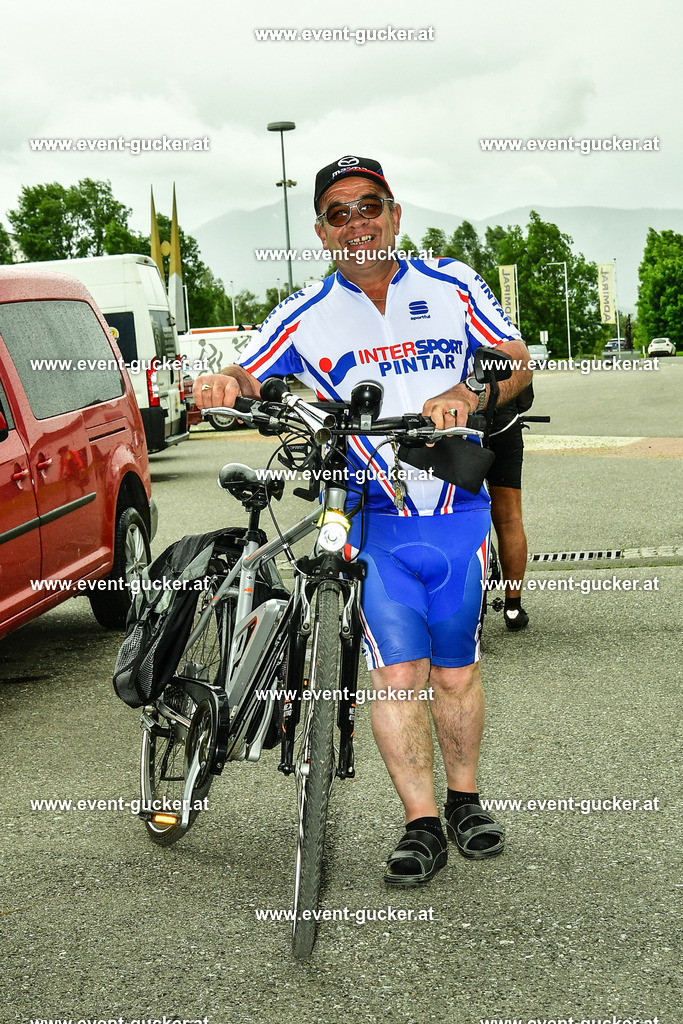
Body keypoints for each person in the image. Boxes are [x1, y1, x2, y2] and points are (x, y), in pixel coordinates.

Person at [194, 155, 532, 885]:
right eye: (339, 212)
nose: (357, 222)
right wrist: (227, 378)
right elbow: (249, 372)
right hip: (372, 514)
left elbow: (515, 360)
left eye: (369, 205)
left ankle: (465, 800)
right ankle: (420, 822)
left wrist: (467, 395)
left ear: (394, 214)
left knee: (457, 672)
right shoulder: (305, 310)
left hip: (454, 511)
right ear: (322, 231)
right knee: (396, 673)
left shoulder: (450, 283)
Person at [486, 385, 533, 630]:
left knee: (451, 510)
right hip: (502, 425)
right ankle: (513, 607)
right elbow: (525, 399)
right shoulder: (506, 345)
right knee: (509, 518)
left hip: (454, 428)